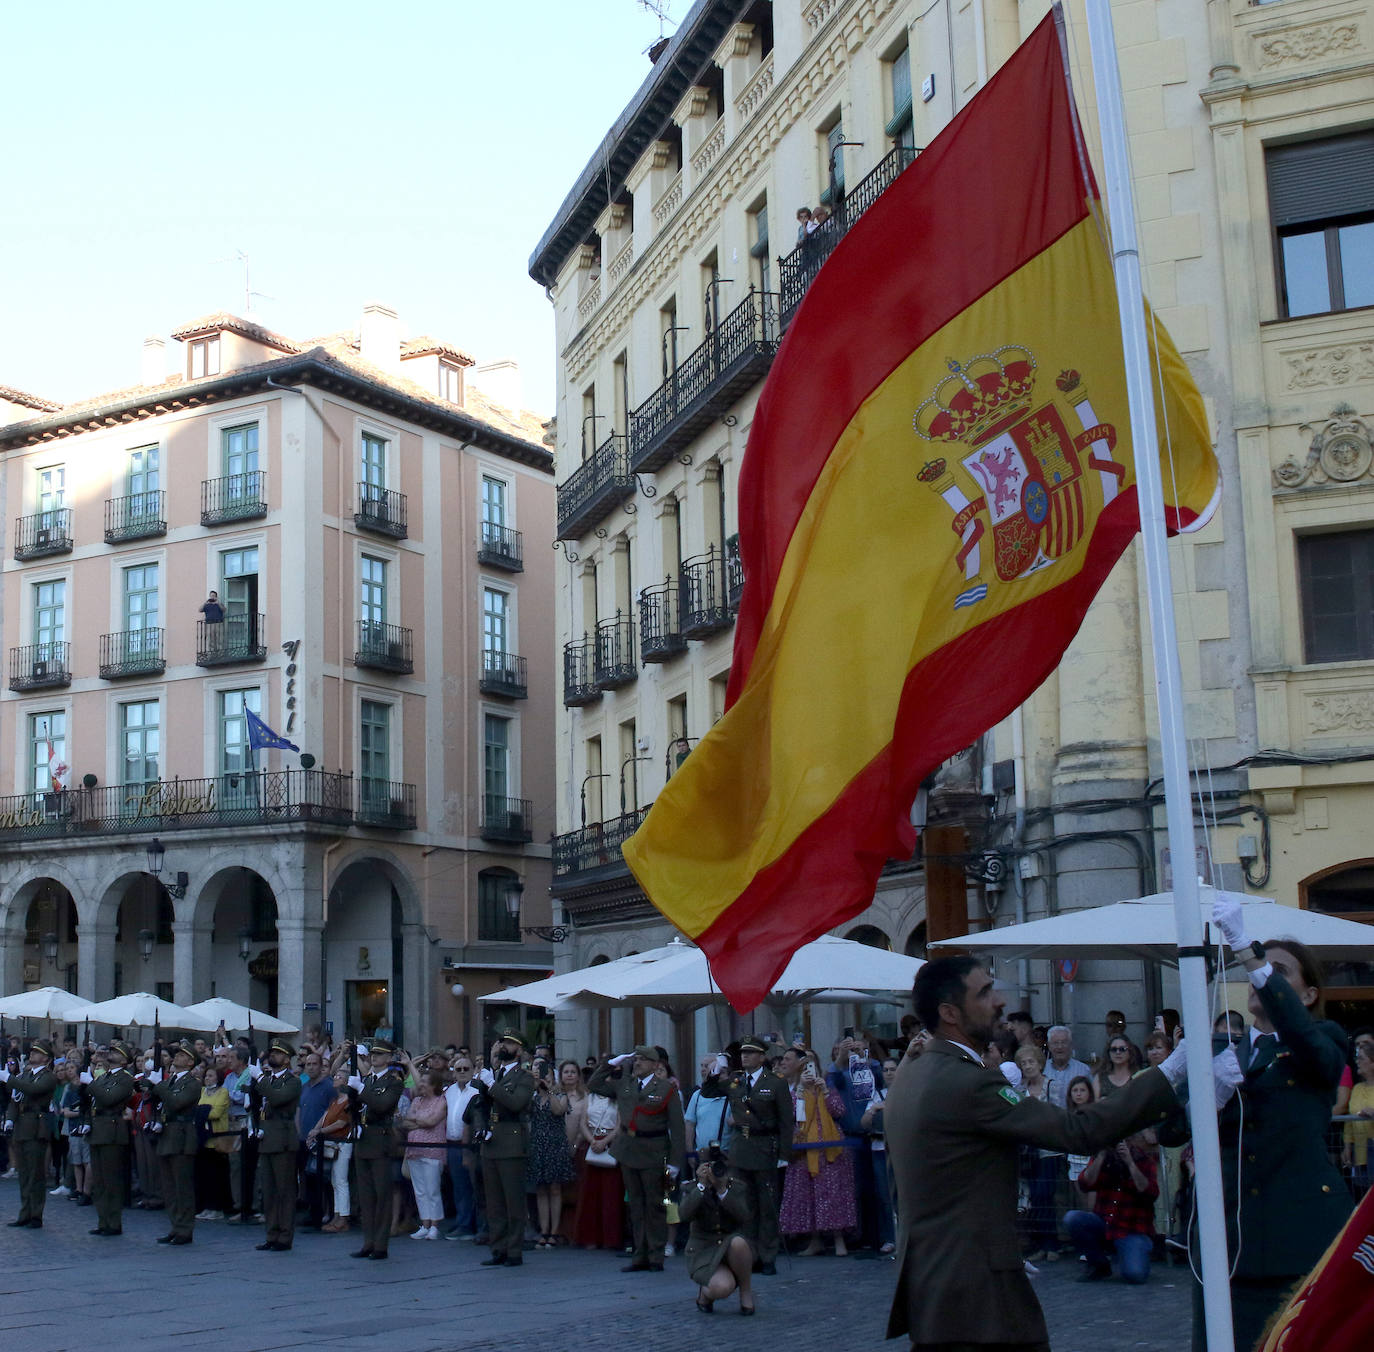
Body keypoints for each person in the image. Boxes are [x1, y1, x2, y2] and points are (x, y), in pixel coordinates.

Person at [884, 955, 1190, 1350]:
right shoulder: (968, 1083)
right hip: (976, 1289)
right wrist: (1170, 1074)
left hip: (933, 1283)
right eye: (985, 992)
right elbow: (1076, 1130)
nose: (999, 1002)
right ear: (950, 1013)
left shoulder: (915, 1071)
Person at [1195, 898, 1355, 1352]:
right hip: (1233, 1241)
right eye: (1258, 970)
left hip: (1299, 1236)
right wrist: (1207, 1092)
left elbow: (1309, 1045)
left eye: (1279, 971)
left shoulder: (1324, 1039)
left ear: (1307, 996)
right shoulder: (1230, 1052)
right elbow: (1170, 1131)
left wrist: (1250, 951)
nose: (1258, 975)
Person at [588, 1042, 685, 1273]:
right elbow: (594, 1084)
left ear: (655, 1064)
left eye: (642, 1060)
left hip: (654, 1150)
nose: (637, 1063)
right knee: (636, 1205)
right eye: (636, 1059)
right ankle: (639, 1254)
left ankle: (656, 1256)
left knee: (655, 1205)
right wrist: (611, 1063)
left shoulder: (666, 1089)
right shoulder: (626, 1085)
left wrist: (674, 1162)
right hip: (629, 1149)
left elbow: (678, 1128)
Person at [699, 1033, 791, 1271]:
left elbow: (786, 1122)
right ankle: (748, 1255)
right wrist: (717, 1068)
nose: (745, 1056)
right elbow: (708, 1091)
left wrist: (784, 1154)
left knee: (767, 1205)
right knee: (744, 1206)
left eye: (750, 1053)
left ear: (762, 1057)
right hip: (741, 1149)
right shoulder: (736, 1081)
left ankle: (767, 1256)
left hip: (765, 1147)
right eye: (743, 1053)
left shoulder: (775, 1082)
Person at [780, 1049, 855, 1256]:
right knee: (809, 1194)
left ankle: (839, 1239)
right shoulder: (797, 1092)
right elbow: (797, 1116)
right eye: (806, 1067)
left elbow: (839, 1111)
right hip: (806, 1149)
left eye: (812, 1066)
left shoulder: (827, 1085)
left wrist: (826, 1092)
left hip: (830, 1148)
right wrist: (802, 1091)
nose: (809, 1071)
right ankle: (815, 1240)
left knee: (833, 1193)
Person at [475, 1029, 535, 1268]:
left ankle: (514, 1250)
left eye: (510, 1043)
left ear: (519, 1050)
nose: (504, 1046)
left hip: (511, 1142)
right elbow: (478, 1105)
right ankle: (497, 1247)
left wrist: (492, 1085)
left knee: (513, 1202)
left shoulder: (524, 1076)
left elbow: (515, 1103)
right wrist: (482, 1127)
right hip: (491, 1142)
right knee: (494, 1202)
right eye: (502, 1042)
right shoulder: (495, 1074)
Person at [1064, 1133, 1159, 1284]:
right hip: (1105, 1223)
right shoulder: (1103, 1157)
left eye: (1125, 1140)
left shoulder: (1143, 1159)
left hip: (1131, 1229)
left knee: (1135, 1275)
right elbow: (1085, 1183)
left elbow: (1150, 1192)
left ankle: (1135, 1251)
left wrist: (1130, 1163)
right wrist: (1101, 1156)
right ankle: (1098, 1264)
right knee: (1072, 1218)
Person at [141, 1039, 203, 1245]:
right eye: (177, 1054)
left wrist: (159, 1086)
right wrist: (151, 1084)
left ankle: (185, 1229)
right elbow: (153, 1096)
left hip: (182, 1135)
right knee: (168, 1185)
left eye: (183, 1055)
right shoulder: (171, 1080)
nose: (177, 1057)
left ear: (191, 1062)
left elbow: (177, 1103)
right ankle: (175, 1225)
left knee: (182, 1185)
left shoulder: (193, 1083)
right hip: (167, 1133)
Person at [352, 1038, 405, 1260]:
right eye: (373, 1054)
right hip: (363, 1138)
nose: (374, 1057)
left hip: (379, 1139)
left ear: (389, 1058)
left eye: (380, 1054)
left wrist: (361, 1089)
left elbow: (382, 1105)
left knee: (381, 1195)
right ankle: (368, 1241)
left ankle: (381, 1244)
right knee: (365, 1196)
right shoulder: (368, 1079)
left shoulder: (394, 1082)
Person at [682, 1156, 755, 1316]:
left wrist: (723, 1190)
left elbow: (744, 1216)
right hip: (704, 1250)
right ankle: (705, 1293)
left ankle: (746, 1291)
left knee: (739, 1243)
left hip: (730, 1248)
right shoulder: (693, 1188)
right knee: (721, 1287)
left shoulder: (736, 1187)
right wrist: (702, 1185)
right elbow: (684, 1215)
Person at [252, 1037, 302, 1251]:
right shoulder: (268, 1080)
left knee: (284, 1191)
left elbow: (278, 1099)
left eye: (279, 1053)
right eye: (272, 1052)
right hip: (267, 1138)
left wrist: (260, 1080)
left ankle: (284, 1235)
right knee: (269, 1191)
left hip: (282, 1139)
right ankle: (271, 1233)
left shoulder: (292, 1081)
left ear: (287, 1060)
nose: (274, 1055)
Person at [4, 1038, 59, 1228]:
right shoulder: (25, 1075)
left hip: (36, 1127)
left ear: (46, 1059)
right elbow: (15, 1100)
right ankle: (25, 1212)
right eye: (32, 1051)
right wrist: (10, 1119)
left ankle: (36, 1214)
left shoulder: (48, 1076)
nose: (32, 1054)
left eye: (37, 1052)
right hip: (21, 1126)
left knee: (36, 1174)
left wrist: (9, 1079)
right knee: (24, 1173)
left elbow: (33, 1090)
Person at [88, 1040, 137, 1237]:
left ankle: (113, 1222)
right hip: (98, 1128)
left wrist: (90, 1084)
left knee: (111, 1180)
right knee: (99, 1181)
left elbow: (109, 1099)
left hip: (112, 1129)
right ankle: (103, 1221)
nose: (112, 1053)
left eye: (117, 1052)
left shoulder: (125, 1078)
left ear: (125, 1061)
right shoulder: (104, 1077)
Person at [525, 1053, 574, 1246]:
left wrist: (549, 1091)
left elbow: (558, 1110)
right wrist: (533, 1087)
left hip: (555, 1145)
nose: (544, 1079)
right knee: (541, 1189)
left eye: (547, 1076)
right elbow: (525, 1110)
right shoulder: (533, 1097)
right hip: (538, 1144)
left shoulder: (560, 1095)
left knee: (554, 1188)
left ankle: (554, 1230)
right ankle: (544, 1229)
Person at [573, 1067, 623, 1250]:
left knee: (610, 1194)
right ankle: (589, 1237)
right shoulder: (590, 1097)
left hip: (610, 1143)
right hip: (592, 1142)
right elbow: (583, 1122)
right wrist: (592, 1140)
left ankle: (610, 1237)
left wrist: (606, 1141)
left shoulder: (617, 1100)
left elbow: (619, 1124)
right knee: (590, 1193)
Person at [400, 1067, 448, 1240]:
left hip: (432, 1151)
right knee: (419, 1190)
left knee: (432, 1189)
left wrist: (417, 1121)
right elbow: (406, 1121)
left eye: (424, 1082)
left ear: (434, 1085)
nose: (420, 1085)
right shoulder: (417, 1101)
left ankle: (435, 1225)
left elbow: (432, 1121)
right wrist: (421, 1122)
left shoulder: (441, 1100)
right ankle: (425, 1223)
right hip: (414, 1150)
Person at [308, 1067, 357, 1232]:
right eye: (336, 1075)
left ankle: (343, 1217)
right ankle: (336, 1215)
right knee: (335, 1181)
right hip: (332, 1142)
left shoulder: (349, 1101)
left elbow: (342, 1123)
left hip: (342, 1143)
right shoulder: (335, 1100)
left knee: (341, 1181)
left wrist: (319, 1131)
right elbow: (325, 1117)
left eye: (339, 1076)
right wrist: (314, 1129)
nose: (335, 1078)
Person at [441, 1053, 481, 1240]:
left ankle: (472, 1224)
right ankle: (462, 1221)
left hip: (471, 1146)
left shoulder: (477, 1092)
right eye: (459, 1069)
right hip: (452, 1144)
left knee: (473, 1186)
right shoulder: (449, 1091)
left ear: (473, 1071)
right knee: (458, 1186)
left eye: (466, 1069)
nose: (462, 1072)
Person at [1342, 1040, 1374, 1196]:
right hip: (1360, 1155)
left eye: (1361, 1058)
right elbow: (1350, 1120)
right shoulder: (1356, 1088)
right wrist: (1347, 1146)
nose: (1357, 1062)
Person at [1044, 1026, 1091, 1106]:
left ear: (1071, 1045)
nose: (1060, 1047)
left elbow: (1091, 1099)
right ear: (1049, 1046)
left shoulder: (1083, 1070)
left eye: (1064, 1042)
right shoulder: (1042, 1069)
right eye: (1055, 1043)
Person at [1094, 1035, 1143, 1099]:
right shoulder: (1100, 1077)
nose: (1118, 1052)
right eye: (1114, 1049)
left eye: (1122, 1049)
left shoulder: (1138, 1076)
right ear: (1108, 1053)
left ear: (1130, 1052)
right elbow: (1094, 1105)